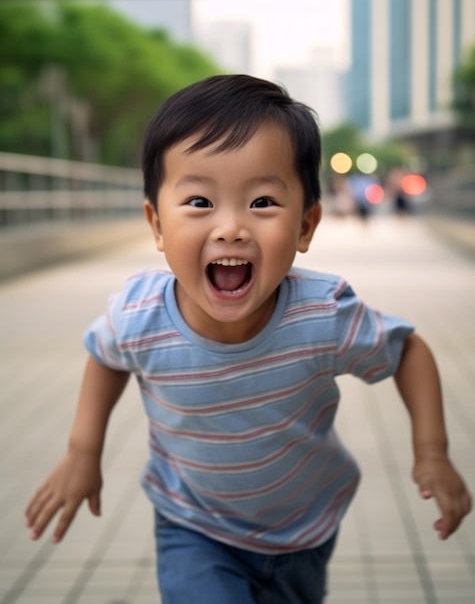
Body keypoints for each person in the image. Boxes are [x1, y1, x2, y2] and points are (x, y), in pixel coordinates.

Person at [25, 75, 471, 604]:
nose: (231, 228)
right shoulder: (138, 314)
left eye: (262, 202)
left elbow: (407, 351)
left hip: (305, 526)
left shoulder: (323, 315)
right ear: (156, 224)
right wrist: (82, 452)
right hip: (193, 524)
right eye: (198, 201)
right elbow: (105, 355)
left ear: (306, 226)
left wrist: (432, 450)